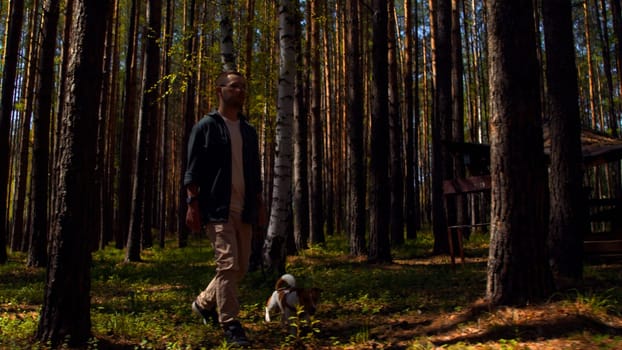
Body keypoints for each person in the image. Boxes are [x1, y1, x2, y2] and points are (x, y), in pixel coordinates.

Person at [184, 70, 264, 347]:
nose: (240, 91)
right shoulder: (206, 127)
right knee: (228, 265)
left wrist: (259, 204)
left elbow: (254, 171)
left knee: (240, 268)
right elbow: (192, 171)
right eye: (234, 86)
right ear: (220, 90)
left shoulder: (248, 131)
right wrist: (192, 204)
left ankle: (203, 302)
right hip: (217, 208)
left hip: (245, 208)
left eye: (243, 86)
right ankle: (230, 324)